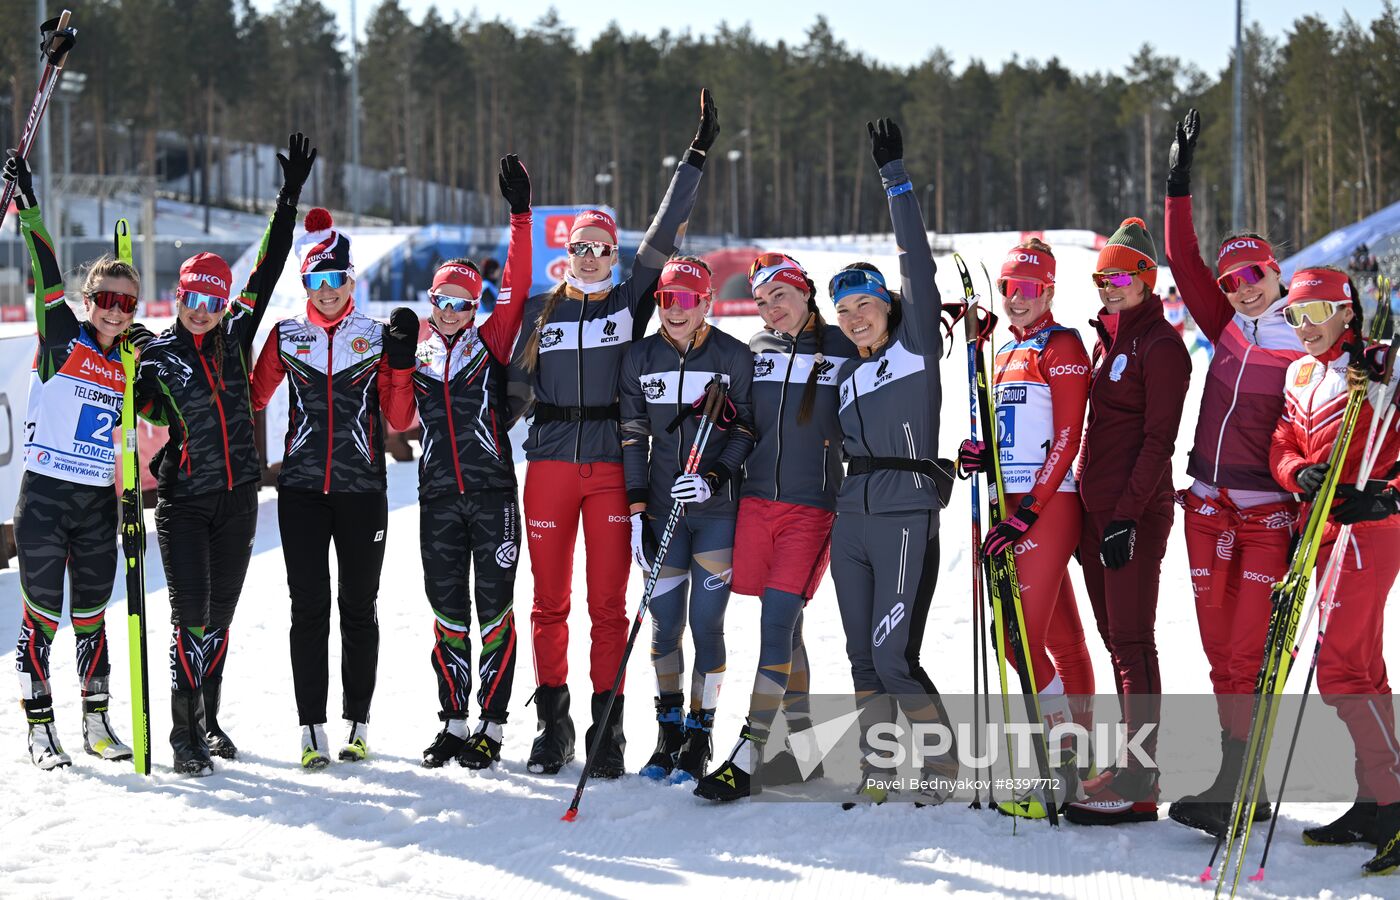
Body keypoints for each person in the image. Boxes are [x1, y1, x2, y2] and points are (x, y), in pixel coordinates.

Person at [510, 88, 718, 778]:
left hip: (607, 464)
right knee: (548, 603)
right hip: (545, 464)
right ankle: (553, 727)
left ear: (613, 251)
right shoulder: (541, 309)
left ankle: (607, 733)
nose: (593, 256)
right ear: (566, 251)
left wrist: (694, 158)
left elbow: (664, 233)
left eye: (603, 247)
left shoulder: (630, 301)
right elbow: (505, 388)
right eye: (582, 248)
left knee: (606, 603)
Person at [133, 134, 315, 775]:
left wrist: (287, 201)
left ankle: (208, 721)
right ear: (178, 298)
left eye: (214, 301)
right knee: (191, 617)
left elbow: (267, 267)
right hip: (184, 501)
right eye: (193, 300)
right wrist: (132, 367)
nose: (204, 312)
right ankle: (183, 736)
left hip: (239, 499)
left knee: (221, 619)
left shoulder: (236, 335)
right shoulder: (156, 354)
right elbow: (136, 402)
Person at [1160, 108, 1307, 836]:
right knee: (1220, 652)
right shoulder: (1221, 324)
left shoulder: (1306, 337)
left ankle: (1244, 781)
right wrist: (1178, 178)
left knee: (1251, 650)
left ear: (1276, 271)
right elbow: (1181, 257)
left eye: (1253, 273)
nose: (1242, 286)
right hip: (1207, 507)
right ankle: (1233, 781)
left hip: (1269, 516)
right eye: (1231, 278)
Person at [251, 207, 418, 769]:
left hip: (361, 492)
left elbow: (398, 417)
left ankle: (358, 723)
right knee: (308, 608)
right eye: (316, 281)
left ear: (351, 281)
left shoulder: (374, 337)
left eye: (336, 280)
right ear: (306, 284)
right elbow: (249, 397)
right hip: (299, 491)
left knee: (358, 607)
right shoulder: (287, 336)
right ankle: (309, 727)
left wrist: (398, 363)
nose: (326, 291)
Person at [380, 156, 532, 770]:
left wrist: (520, 216)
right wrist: (393, 362)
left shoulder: (490, 343)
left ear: (477, 307)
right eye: (443, 300)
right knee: (447, 612)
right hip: (438, 497)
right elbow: (395, 420)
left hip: (494, 494)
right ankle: (454, 719)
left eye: (464, 303)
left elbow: (519, 286)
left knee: (494, 610)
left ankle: (492, 727)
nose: (452, 311)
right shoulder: (417, 357)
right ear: (430, 300)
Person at [693, 252, 856, 802]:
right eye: (761, 302)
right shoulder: (754, 350)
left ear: (804, 292)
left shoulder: (842, 346)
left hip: (813, 508)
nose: (770, 310)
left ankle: (749, 749)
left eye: (779, 297)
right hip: (755, 505)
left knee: (777, 621)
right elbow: (744, 423)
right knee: (788, 627)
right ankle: (805, 751)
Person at [828, 119, 956, 807]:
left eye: (866, 304)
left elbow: (918, 263)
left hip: (907, 513)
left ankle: (942, 767)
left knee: (892, 657)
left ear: (888, 306)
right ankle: (880, 765)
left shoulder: (915, 350)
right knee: (859, 659)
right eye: (844, 309)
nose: (855, 317)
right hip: (851, 521)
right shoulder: (845, 374)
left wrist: (894, 178)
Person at [5, 152, 137, 770]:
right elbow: (44, 268)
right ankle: (39, 727)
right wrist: (28, 204)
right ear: (89, 300)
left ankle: (96, 721)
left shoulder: (133, 360)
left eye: (127, 303)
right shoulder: (61, 334)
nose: (115, 309)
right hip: (46, 496)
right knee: (43, 617)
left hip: (95, 502)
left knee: (91, 616)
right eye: (106, 297)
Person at [958, 238, 1097, 819]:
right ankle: (1081, 755)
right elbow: (1011, 428)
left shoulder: (1061, 345)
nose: (1018, 299)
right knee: (1058, 636)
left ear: (1050, 292)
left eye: (1030, 289)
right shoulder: (1004, 351)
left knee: (1013, 637)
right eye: (1010, 288)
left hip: (1048, 503)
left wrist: (1031, 509)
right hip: (1008, 502)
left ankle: (1061, 759)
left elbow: (1067, 436)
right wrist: (981, 452)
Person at [1269, 266, 1400, 876]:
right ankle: (1376, 802)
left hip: (1369, 531)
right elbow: (1281, 439)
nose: (1305, 328)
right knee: (1364, 670)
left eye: (1317, 312)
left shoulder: (1380, 367)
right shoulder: (1300, 373)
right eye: (1294, 316)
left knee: (1343, 671)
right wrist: (1297, 472)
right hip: (1319, 530)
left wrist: (1388, 495)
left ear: (1348, 311)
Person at [1067, 217, 1191, 826]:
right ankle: (1128, 762)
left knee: (1134, 643)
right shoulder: (1109, 341)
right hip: (1098, 513)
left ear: (1146, 280)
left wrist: (1124, 517)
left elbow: (1157, 441)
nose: (1107, 287)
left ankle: (1143, 778)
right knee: (1116, 642)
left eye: (1118, 276)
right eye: (1100, 277)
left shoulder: (1161, 347)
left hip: (1132, 515)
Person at [618, 257, 755, 784]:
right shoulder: (640, 358)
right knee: (665, 624)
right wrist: (636, 513)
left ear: (707, 302)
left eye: (686, 299)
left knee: (705, 625)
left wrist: (714, 479)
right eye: (666, 299)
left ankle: (701, 732)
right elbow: (633, 436)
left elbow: (745, 431)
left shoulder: (733, 356)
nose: (674, 310)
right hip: (661, 515)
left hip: (715, 514)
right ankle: (668, 729)